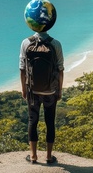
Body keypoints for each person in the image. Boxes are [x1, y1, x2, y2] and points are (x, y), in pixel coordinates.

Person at [19, 30, 64, 165]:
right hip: (51, 91)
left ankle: (33, 157)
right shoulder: (55, 43)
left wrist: (23, 89)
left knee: (33, 121)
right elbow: (61, 69)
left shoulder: (26, 42)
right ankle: (49, 157)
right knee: (50, 122)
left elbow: (22, 69)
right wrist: (60, 90)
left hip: (33, 91)